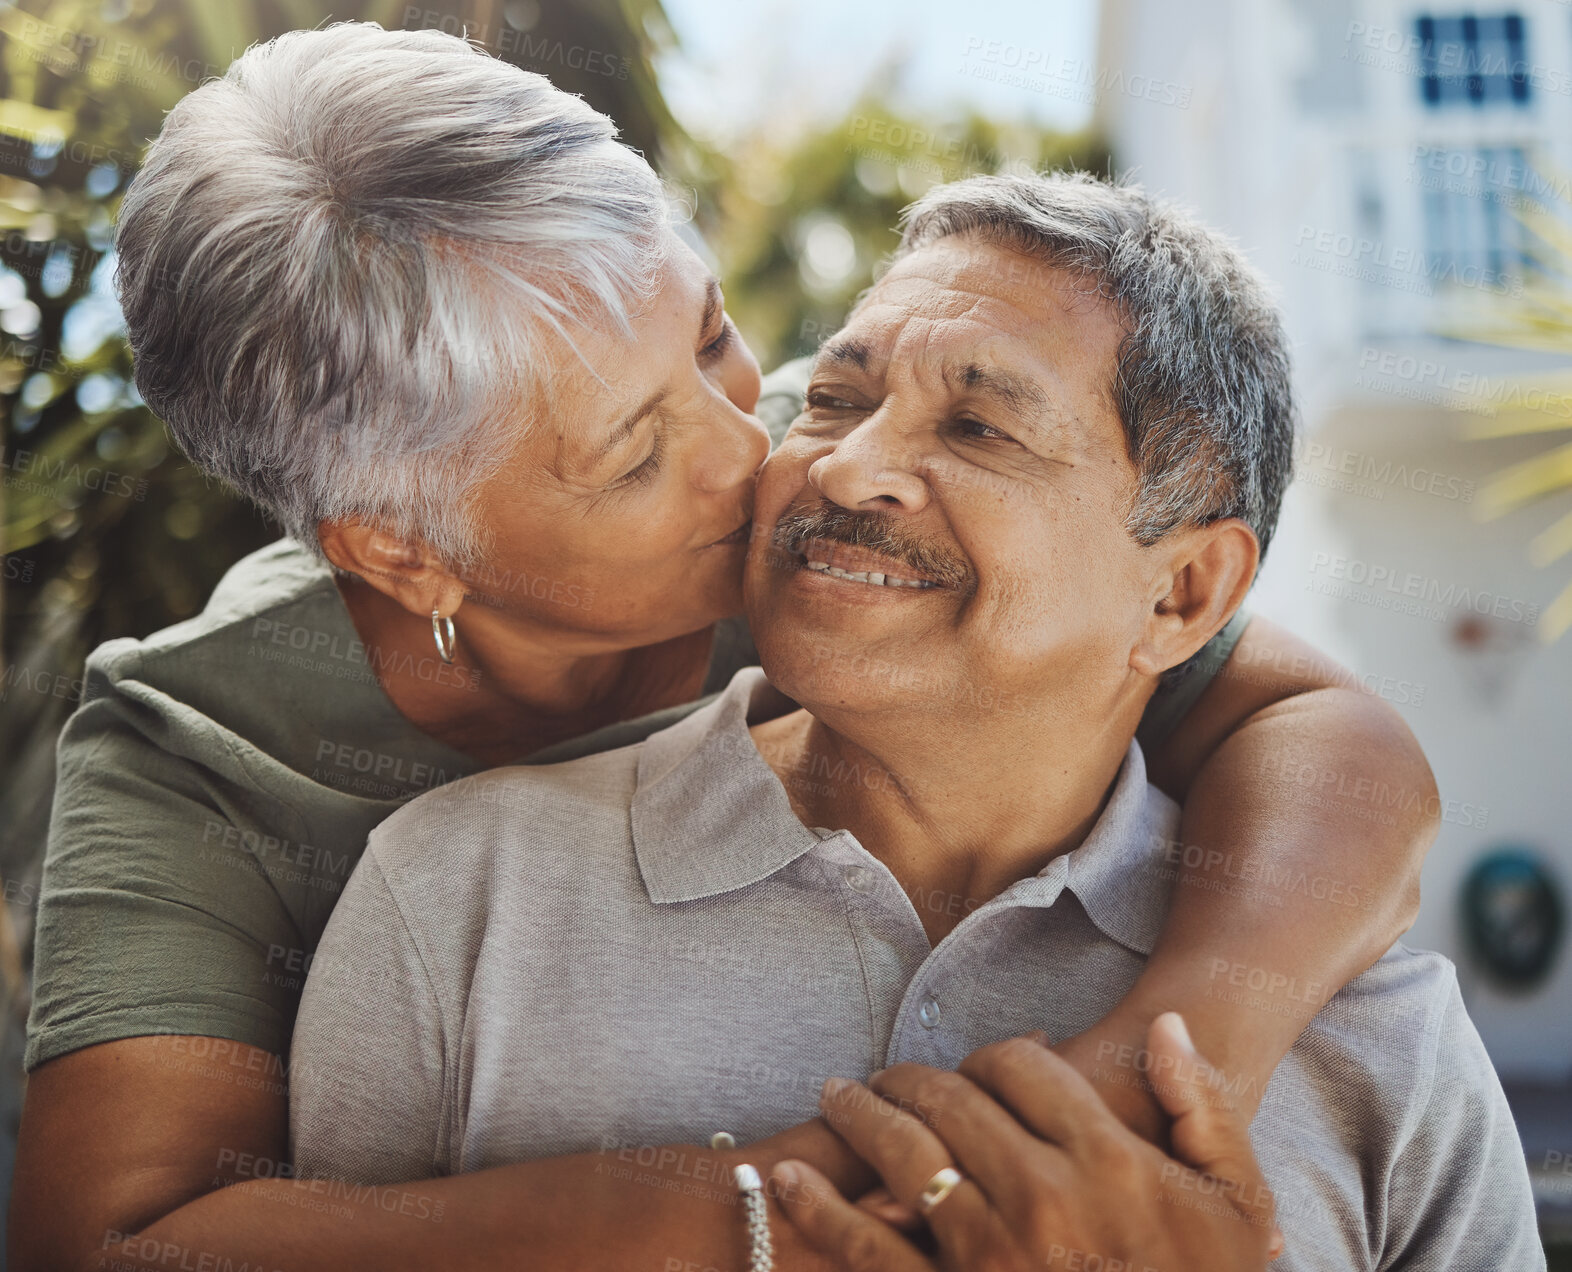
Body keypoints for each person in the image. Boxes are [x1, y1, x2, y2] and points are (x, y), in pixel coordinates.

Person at [11, 24, 1439, 1272]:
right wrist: (802, 1219)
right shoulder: (213, 762)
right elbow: (121, 1245)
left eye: (712, 339)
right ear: (405, 551)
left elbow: (1333, 742)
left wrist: (1156, 1080)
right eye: (634, 457)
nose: (759, 456)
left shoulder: (869, 538)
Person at [288, 172, 1542, 1272]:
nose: (842, 467)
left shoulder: (1372, 1042)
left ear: (1183, 592)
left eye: (980, 426)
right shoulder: (457, 893)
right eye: (834, 398)